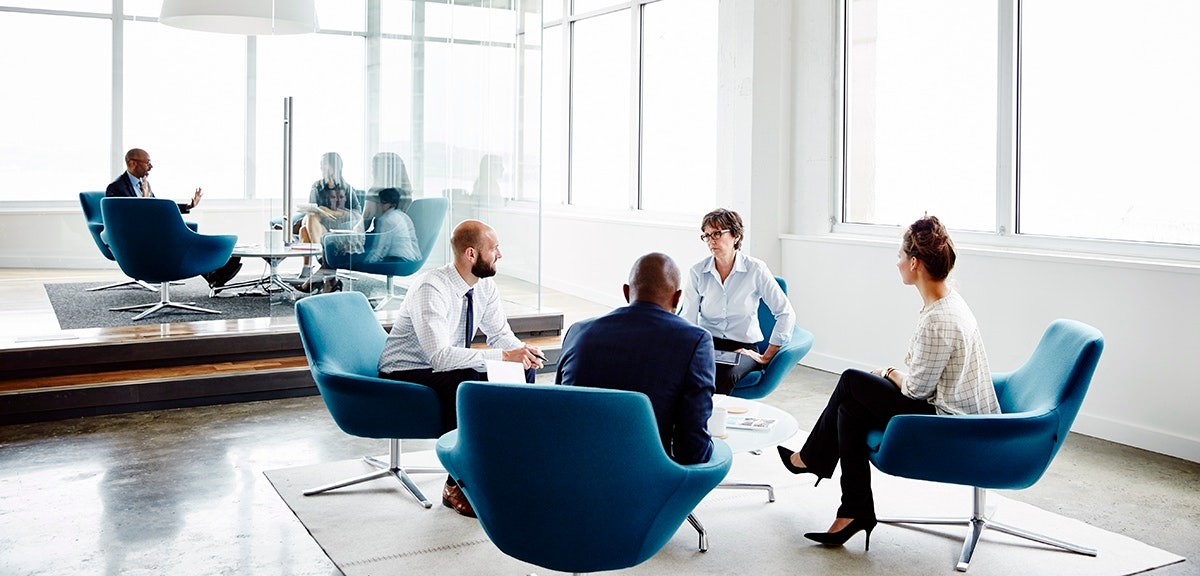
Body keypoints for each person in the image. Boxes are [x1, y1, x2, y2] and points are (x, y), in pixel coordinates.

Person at [777, 215, 1000, 551]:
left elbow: (916, 391)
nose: (897, 264)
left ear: (915, 263)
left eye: (900, 257)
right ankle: (854, 510)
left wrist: (891, 373)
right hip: (946, 407)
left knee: (852, 379)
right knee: (849, 411)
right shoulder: (947, 301)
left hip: (950, 422)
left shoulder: (939, 318)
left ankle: (814, 459)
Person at [377, 219, 545, 518]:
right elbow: (440, 357)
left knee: (521, 370)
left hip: (445, 365)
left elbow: (499, 335)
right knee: (468, 384)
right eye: (494, 249)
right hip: (406, 369)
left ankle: (501, 465)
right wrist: (504, 356)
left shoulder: (484, 285)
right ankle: (456, 485)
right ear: (471, 254)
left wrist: (522, 352)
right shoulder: (432, 288)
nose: (500, 255)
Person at [556, 252, 716, 465]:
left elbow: (558, 411)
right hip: (647, 479)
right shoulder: (695, 340)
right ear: (677, 298)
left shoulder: (578, 332)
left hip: (572, 469)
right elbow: (692, 450)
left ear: (626, 292)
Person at [679, 208, 795, 395]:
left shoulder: (755, 269)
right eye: (707, 235)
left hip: (743, 348)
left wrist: (766, 356)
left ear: (736, 236)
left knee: (724, 374)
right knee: (686, 371)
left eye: (717, 233)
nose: (711, 240)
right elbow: (688, 319)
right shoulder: (698, 271)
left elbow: (785, 313)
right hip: (707, 344)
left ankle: (711, 421)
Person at [105, 148, 242, 288]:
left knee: (182, 233)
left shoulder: (144, 184)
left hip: (152, 232)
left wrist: (187, 206)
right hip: (137, 237)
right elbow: (123, 219)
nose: (151, 167)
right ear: (133, 163)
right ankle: (213, 271)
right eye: (148, 163)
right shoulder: (116, 188)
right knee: (178, 237)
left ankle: (212, 270)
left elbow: (158, 208)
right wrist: (145, 200)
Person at [295, 152, 363, 289]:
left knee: (304, 229)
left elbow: (357, 213)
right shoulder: (317, 186)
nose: (321, 168)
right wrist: (321, 211)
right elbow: (311, 208)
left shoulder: (347, 188)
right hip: (319, 225)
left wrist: (333, 213)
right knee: (309, 219)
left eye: (324, 165)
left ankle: (314, 273)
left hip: (338, 227)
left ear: (334, 166)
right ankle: (327, 272)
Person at [360, 187, 420, 264]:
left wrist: (366, 263)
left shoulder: (385, 220)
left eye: (383, 202)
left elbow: (380, 248)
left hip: (397, 260)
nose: (380, 205)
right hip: (411, 259)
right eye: (380, 202)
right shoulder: (404, 216)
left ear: (393, 204)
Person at [361, 152, 413, 224]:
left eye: (374, 168)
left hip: (382, 234)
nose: (372, 172)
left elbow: (363, 226)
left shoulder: (375, 192)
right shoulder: (406, 194)